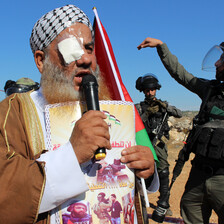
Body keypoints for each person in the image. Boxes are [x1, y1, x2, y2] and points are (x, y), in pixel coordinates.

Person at [0, 5, 156, 224]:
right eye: (71, 48)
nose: (85, 59)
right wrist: (72, 155)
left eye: (89, 48)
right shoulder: (13, 111)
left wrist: (143, 170)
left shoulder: (112, 109)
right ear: (41, 60)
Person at [137, 37, 224, 223]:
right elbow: (180, 74)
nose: (217, 62)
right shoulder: (210, 90)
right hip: (198, 175)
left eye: (222, 59)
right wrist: (161, 47)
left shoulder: (164, 105)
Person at [135, 74, 182, 216]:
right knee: (141, 172)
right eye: (147, 90)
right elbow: (135, 123)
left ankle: (163, 203)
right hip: (144, 142)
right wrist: (147, 114)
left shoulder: (163, 105)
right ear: (143, 91)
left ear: (156, 89)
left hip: (159, 144)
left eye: (152, 90)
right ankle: (142, 199)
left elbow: (179, 113)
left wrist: (165, 106)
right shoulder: (139, 107)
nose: (150, 93)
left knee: (163, 172)